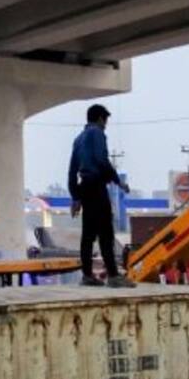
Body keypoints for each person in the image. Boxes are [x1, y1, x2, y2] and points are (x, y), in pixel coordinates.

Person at [68, 103, 130, 286]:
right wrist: (118, 181)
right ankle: (113, 276)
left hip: (85, 187)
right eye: (106, 120)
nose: (106, 124)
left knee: (87, 234)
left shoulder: (78, 139)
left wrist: (76, 197)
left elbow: (72, 171)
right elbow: (102, 160)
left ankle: (87, 275)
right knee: (105, 232)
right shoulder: (97, 133)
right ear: (100, 118)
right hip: (96, 187)